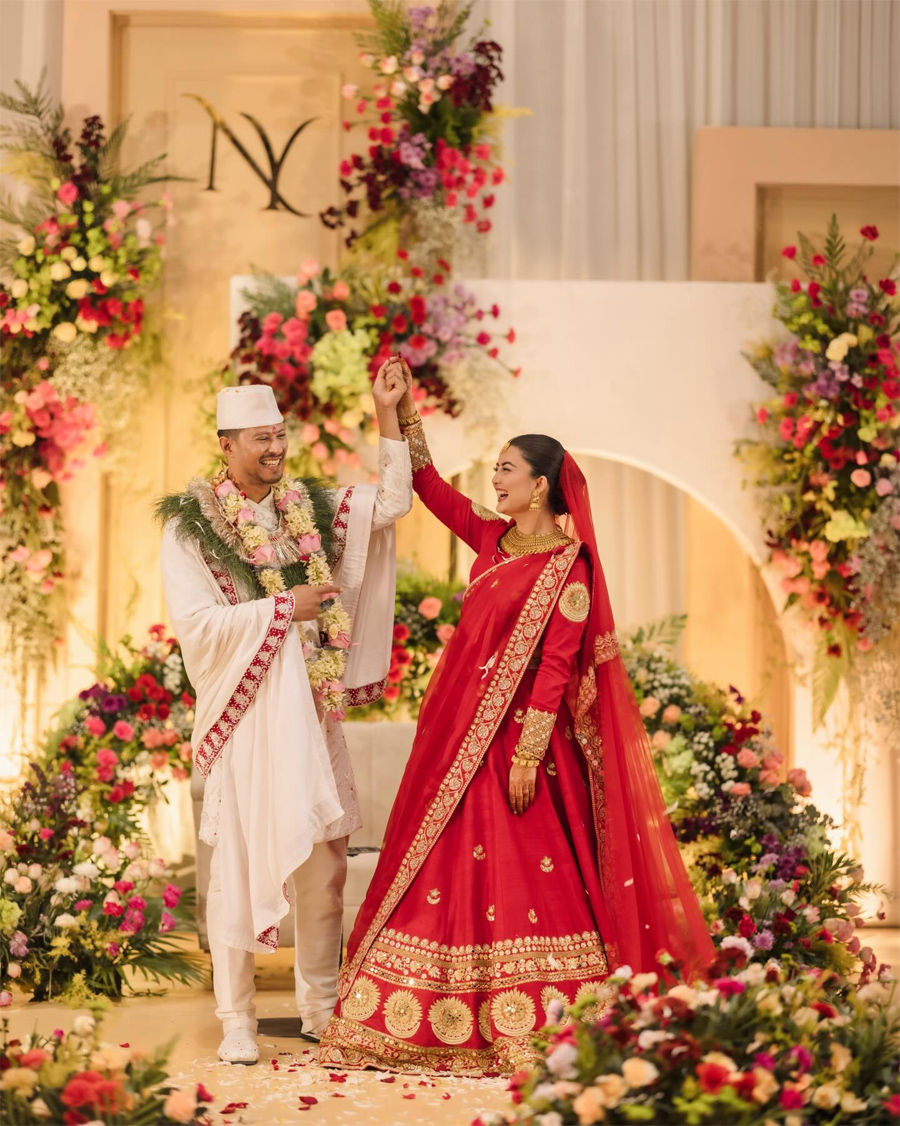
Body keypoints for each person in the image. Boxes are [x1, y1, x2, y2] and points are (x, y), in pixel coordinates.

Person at [318, 366, 714, 1074]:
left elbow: (556, 668)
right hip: (457, 738)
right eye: (495, 468)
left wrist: (528, 756)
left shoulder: (570, 569)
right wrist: (396, 410)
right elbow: (428, 485)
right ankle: (428, 1010)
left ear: (541, 486)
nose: (494, 479)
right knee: (440, 865)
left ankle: (535, 1012)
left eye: (507, 469)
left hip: (524, 750)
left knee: (525, 874)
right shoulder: (492, 541)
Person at [157, 366, 412, 1065]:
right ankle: (236, 1017)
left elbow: (393, 500)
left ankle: (320, 1008)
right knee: (238, 868)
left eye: (280, 435)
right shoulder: (190, 529)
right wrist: (281, 609)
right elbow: (197, 627)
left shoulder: (310, 507)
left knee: (326, 866)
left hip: (312, 711)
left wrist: (386, 412)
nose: (276, 448)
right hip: (245, 716)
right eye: (260, 438)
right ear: (226, 444)